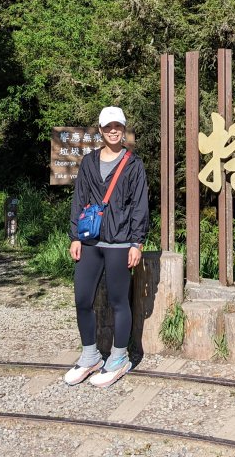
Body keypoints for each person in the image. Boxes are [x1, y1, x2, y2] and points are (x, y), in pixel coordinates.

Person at [64, 106, 150, 388]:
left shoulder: (133, 164)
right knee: (82, 299)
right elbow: (79, 199)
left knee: (117, 301)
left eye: (118, 126)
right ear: (100, 130)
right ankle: (90, 355)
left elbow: (140, 206)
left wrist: (137, 242)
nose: (113, 130)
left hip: (121, 240)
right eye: (107, 126)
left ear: (123, 129)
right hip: (90, 240)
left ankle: (118, 357)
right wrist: (75, 236)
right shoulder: (89, 162)